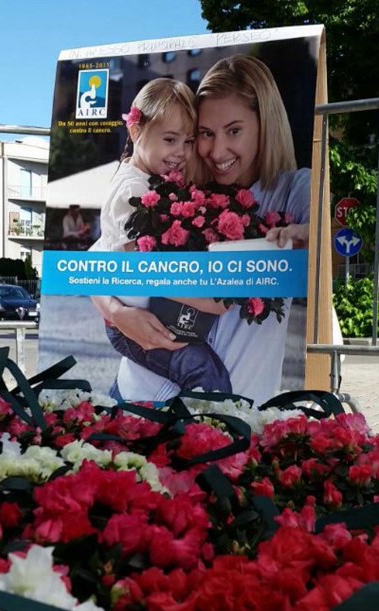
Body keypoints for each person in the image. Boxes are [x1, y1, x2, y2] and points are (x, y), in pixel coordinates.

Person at [100, 54, 311, 403]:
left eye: (234, 131)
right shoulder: (179, 187)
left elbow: (330, 239)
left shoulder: (294, 189)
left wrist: (308, 234)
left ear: (266, 125)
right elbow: (101, 260)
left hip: (235, 409)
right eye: (205, 134)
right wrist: (117, 313)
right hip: (139, 395)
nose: (216, 150)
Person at [90, 78, 233, 394]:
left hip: (153, 316)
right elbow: (148, 272)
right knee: (208, 378)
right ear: (135, 131)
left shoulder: (148, 179)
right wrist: (214, 302)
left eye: (188, 141)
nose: (181, 152)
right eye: (170, 139)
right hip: (136, 323)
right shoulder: (131, 191)